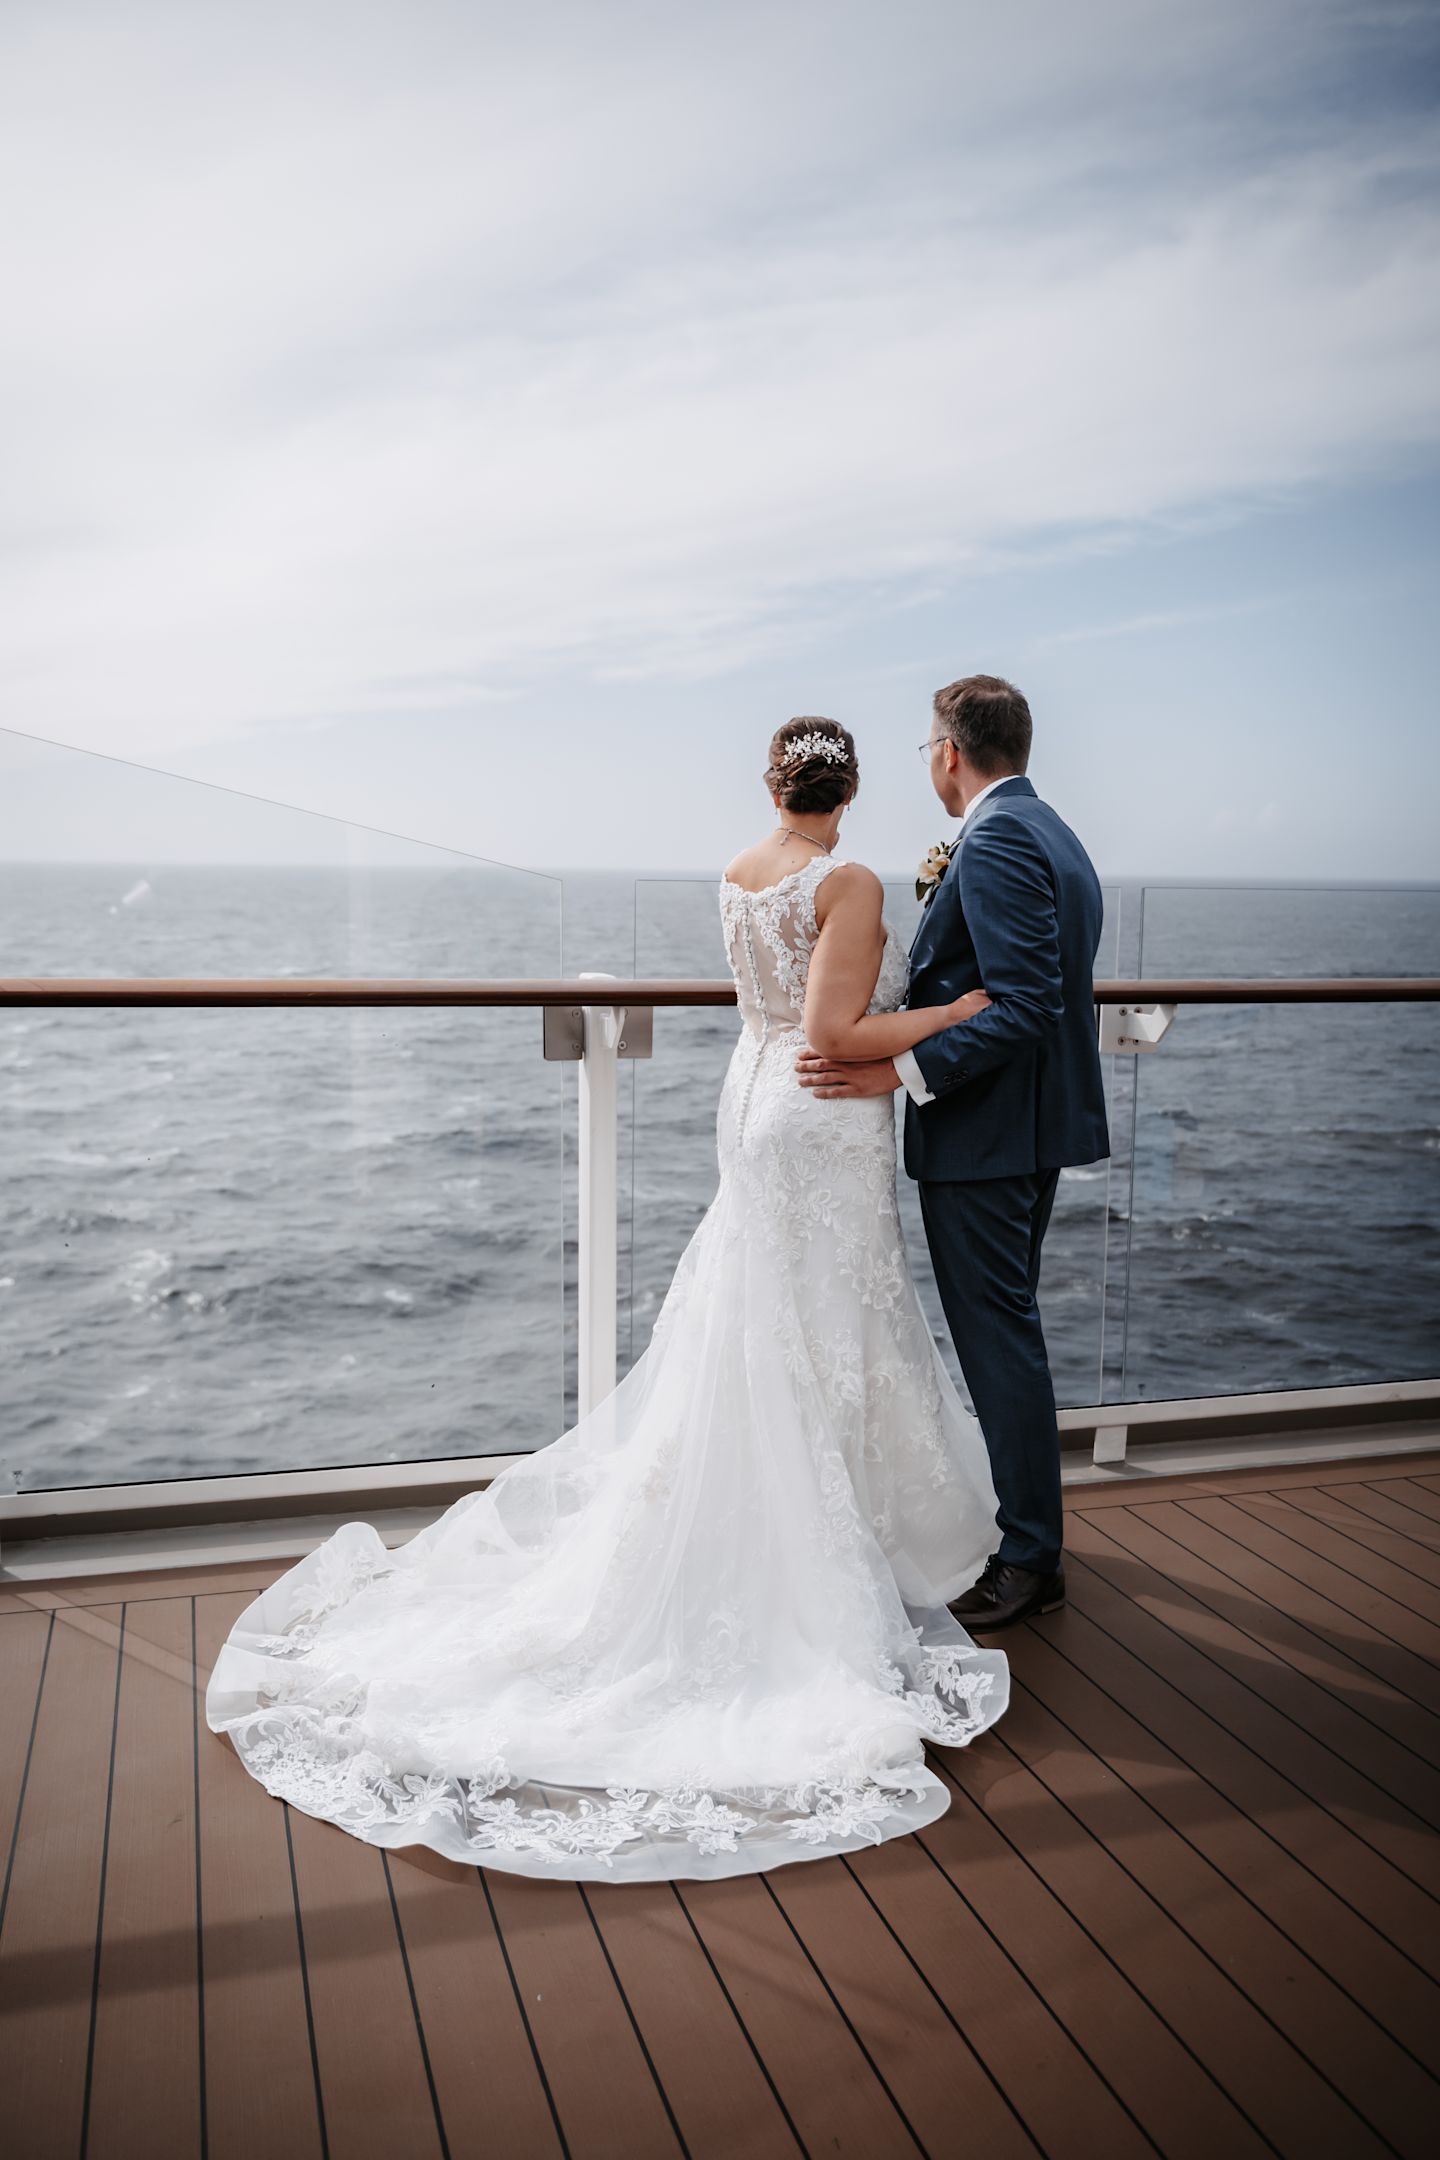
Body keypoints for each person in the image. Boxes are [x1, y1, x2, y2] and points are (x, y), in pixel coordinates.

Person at [205, 716, 1010, 1882]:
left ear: (773, 782)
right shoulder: (851, 883)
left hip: (748, 1101)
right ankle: (819, 1553)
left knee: (762, 1330)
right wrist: (948, 1017)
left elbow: (774, 1012)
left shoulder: (742, 873)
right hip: (815, 1114)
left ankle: (824, 1525)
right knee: (823, 1328)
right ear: (853, 790)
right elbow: (836, 1031)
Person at [798, 677, 1110, 1628]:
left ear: (947, 752)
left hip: (988, 1134)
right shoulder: (1054, 829)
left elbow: (1023, 1005)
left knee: (998, 1337)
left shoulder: (1003, 837)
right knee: (1008, 1329)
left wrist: (902, 1074)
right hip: (1027, 1126)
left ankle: (1029, 1559)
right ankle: (1032, 1539)